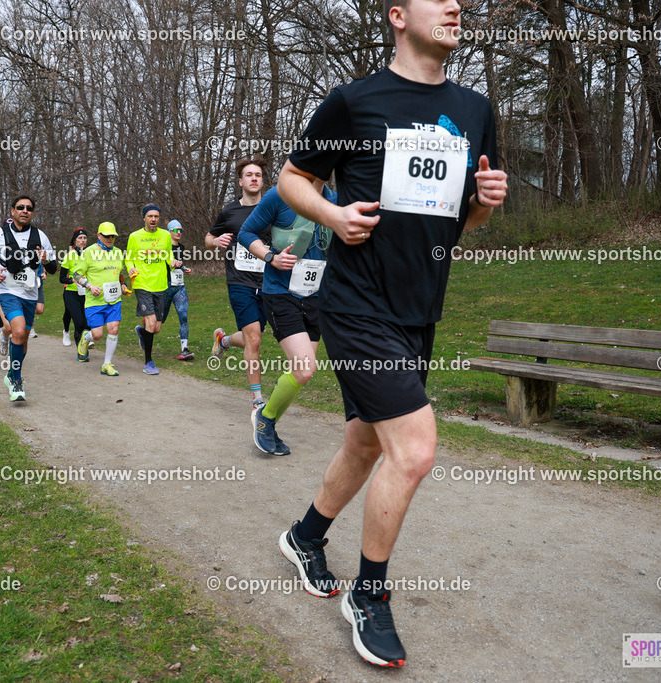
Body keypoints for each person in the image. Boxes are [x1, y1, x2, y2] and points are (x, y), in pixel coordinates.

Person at [274, 0, 507, 667]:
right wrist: (334, 213)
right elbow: (294, 177)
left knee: (367, 439)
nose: (458, 7)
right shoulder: (355, 101)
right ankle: (369, 595)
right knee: (415, 448)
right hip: (355, 302)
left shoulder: (474, 110)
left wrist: (485, 203)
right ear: (398, 15)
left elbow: (464, 220)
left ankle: (305, 534)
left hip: (419, 307)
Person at [238, 183, 336, 456]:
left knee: (302, 373)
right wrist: (271, 257)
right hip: (281, 294)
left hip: (316, 296)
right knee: (305, 369)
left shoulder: (335, 198)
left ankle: (266, 421)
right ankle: (266, 419)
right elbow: (246, 232)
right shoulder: (280, 195)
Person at [0, 194, 58, 401]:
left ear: (32, 213)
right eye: (20, 207)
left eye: (29, 208)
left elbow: (53, 269)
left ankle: (11, 374)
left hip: (30, 293)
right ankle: (17, 382)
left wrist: (46, 259)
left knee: (22, 340)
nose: (25, 211)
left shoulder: (41, 236)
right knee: (19, 330)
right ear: (13, 211)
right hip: (7, 290)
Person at [206, 157, 268, 407]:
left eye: (258, 175)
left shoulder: (273, 207)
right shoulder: (230, 211)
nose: (254, 178)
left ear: (263, 181)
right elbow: (209, 237)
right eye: (249, 175)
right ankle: (257, 398)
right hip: (239, 280)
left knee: (254, 337)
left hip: (267, 282)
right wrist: (215, 242)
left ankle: (223, 340)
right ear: (241, 181)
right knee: (253, 338)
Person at [72, 221, 130, 376]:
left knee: (114, 329)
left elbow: (118, 273)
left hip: (113, 300)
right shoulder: (88, 252)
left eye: (113, 236)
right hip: (95, 301)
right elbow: (76, 274)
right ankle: (86, 337)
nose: (110, 238)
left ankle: (107, 364)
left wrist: (123, 285)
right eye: (106, 236)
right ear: (98, 235)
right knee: (97, 334)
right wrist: (90, 286)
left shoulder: (118, 252)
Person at [126, 204, 176, 375]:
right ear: (144, 218)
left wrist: (174, 263)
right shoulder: (134, 236)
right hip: (142, 283)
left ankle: (142, 331)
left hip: (160, 284)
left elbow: (169, 255)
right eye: (150, 216)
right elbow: (129, 259)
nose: (153, 219)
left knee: (156, 328)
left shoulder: (165, 236)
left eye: (156, 216)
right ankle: (148, 362)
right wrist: (131, 269)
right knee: (152, 322)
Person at [163, 220, 194, 360]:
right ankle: (144, 331)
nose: (179, 232)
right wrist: (172, 264)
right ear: (169, 231)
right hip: (165, 286)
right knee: (160, 319)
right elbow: (165, 263)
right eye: (176, 230)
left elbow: (177, 263)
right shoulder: (164, 247)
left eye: (181, 230)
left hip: (179, 286)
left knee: (183, 316)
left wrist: (183, 268)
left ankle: (184, 349)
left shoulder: (181, 247)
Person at [59, 227, 90, 349]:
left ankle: (84, 344)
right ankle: (67, 333)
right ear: (74, 240)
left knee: (87, 321)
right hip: (71, 291)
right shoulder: (69, 256)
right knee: (77, 320)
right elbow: (61, 278)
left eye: (85, 238)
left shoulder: (91, 254)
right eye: (80, 238)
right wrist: (72, 280)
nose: (82, 240)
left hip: (87, 292)